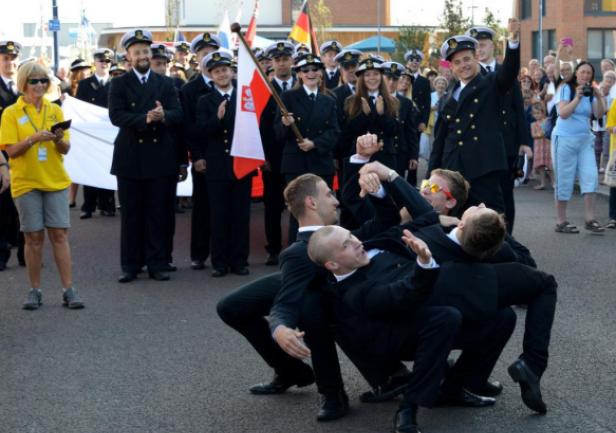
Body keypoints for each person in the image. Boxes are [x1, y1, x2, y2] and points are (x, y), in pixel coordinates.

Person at [0, 60, 84, 309]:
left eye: (43, 80)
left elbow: (65, 149)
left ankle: (69, 290)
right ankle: (34, 290)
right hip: (26, 183)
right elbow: (11, 151)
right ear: (23, 83)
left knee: (59, 235)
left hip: (55, 181)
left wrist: (58, 139)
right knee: (33, 237)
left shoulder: (55, 110)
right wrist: (33, 139)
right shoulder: (11, 113)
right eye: (34, 81)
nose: (39, 85)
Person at [108, 29, 183, 282]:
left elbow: (178, 113)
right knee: (131, 214)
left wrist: (164, 115)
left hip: (160, 157)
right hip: (130, 157)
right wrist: (145, 118)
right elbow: (116, 116)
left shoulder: (166, 83)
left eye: (145, 51)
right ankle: (131, 265)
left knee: (157, 213)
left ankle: (157, 263)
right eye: (137, 51)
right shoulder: (119, 83)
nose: (142, 55)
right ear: (128, 56)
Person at [429, 18, 521, 213]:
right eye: (457, 62)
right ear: (451, 67)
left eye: (467, 59)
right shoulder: (448, 96)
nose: (463, 65)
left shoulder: (490, 83)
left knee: (489, 219)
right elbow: (440, 139)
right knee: (455, 222)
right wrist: (432, 175)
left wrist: (513, 41)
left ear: (476, 57)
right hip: (454, 169)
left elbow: (509, 71)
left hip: (483, 167)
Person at [466, 25, 532, 233]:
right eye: (476, 47)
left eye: (483, 45)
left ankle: (506, 237)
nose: (480, 50)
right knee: (479, 195)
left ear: (492, 46)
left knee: (505, 194)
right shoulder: (469, 74)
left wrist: (524, 141)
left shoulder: (506, 71)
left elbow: (518, 108)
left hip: (506, 143)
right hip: (478, 145)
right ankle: (481, 236)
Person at [196, 50, 253, 277]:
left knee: (241, 215)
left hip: (241, 163)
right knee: (218, 216)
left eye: (225, 70)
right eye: (217, 71)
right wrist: (217, 119)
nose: (221, 74)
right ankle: (219, 262)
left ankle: (239, 261)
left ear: (232, 72)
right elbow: (201, 131)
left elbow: (254, 128)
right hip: (217, 165)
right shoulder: (205, 100)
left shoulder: (245, 96)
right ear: (211, 75)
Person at [277, 53, 340, 243]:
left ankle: (323, 251)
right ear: (299, 74)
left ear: (321, 73)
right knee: (299, 213)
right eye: (305, 70)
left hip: (320, 163)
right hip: (296, 164)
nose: (311, 73)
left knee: (323, 211)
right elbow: (276, 133)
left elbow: (335, 132)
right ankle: (298, 251)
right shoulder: (287, 97)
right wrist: (284, 125)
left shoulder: (329, 99)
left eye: (315, 69)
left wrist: (315, 144)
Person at [181, 32, 221, 271]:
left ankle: (222, 253)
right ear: (196, 58)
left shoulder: (230, 84)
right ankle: (199, 253)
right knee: (203, 206)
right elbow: (188, 127)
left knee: (223, 207)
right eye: (204, 53)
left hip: (225, 156)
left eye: (213, 53)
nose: (209, 57)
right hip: (203, 156)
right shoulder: (190, 89)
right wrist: (196, 156)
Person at [552, 61, 606, 233]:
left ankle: (590, 219)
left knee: (591, 176)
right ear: (576, 73)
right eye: (582, 72)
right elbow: (563, 113)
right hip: (564, 138)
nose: (585, 75)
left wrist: (599, 96)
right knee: (564, 179)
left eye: (589, 73)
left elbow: (599, 114)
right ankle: (561, 221)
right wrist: (577, 97)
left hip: (584, 140)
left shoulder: (590, 92)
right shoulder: (566, 88)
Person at [260, 41, 296, 266]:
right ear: (271, 63)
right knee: (272, 206)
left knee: (297, 204)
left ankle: (296, 247)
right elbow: (260, 126)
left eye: (285, 59)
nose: (282, 63)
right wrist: (262, 157)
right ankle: (273, 249)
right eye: (277, 60)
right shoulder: (264, 89)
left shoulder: (301, 85)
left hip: (297, 156)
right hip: (273, 158)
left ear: (292, 60)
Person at [75, 48, 117, 219]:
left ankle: (108, 205)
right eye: (101, 60)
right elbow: (78, 108)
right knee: (90, 168)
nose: (104, 64)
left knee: (108, 169)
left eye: (107, 61)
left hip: (109, 133)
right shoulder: (85, 84)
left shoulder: (116, 83)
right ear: (95, 62)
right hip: (90, 134)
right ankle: (88, 206)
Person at [0, 40, 25, 270]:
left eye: (13, 58)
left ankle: (25, 252)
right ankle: (1, 254)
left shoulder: (26, 88)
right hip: (1, 156)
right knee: (1, 207)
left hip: (24, 155)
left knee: (24, 206)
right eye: (5, 58)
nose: (10, 63)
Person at [404, 48, 430, 185]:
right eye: (411, 60)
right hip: (404, 119)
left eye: (417, 60)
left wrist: (424, 121)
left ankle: (412, 182)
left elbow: (427, 104)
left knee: (415, 151)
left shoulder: (424, 81)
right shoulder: (402, 77)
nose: (414, 62)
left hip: (417, 121)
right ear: (407, 62)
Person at [530, 102, 553, 190]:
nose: (536, 115)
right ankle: (542, 183)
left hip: (547, 144)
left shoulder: (547, 121)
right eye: (534, 113)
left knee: (550, 165)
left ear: (543, 112)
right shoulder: (533, 124)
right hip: (539, 146)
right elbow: (533, 135)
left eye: (538, 113)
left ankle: (554, 183)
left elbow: (549, 132)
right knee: (541, 166)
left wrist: (542, 134)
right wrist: (542, 134)